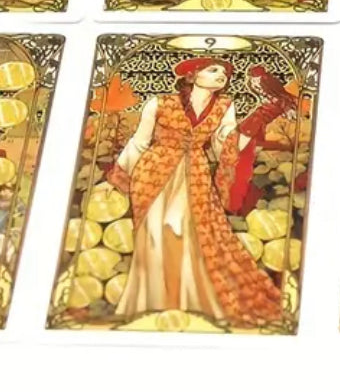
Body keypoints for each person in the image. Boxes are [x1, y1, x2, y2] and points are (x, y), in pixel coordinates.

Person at [99, 57, 285, 326]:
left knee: (183, 231)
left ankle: (192, 303)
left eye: (225, 72)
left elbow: (226, 146)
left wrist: (256, 121)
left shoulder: (224, 106)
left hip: (195, 176)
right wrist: (114, 178)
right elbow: (139, 142)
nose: (221, 75)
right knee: (155, 234)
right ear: (192, 75)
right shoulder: (159, 103)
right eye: (213, 70)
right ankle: (152, 304)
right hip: (153, 174)